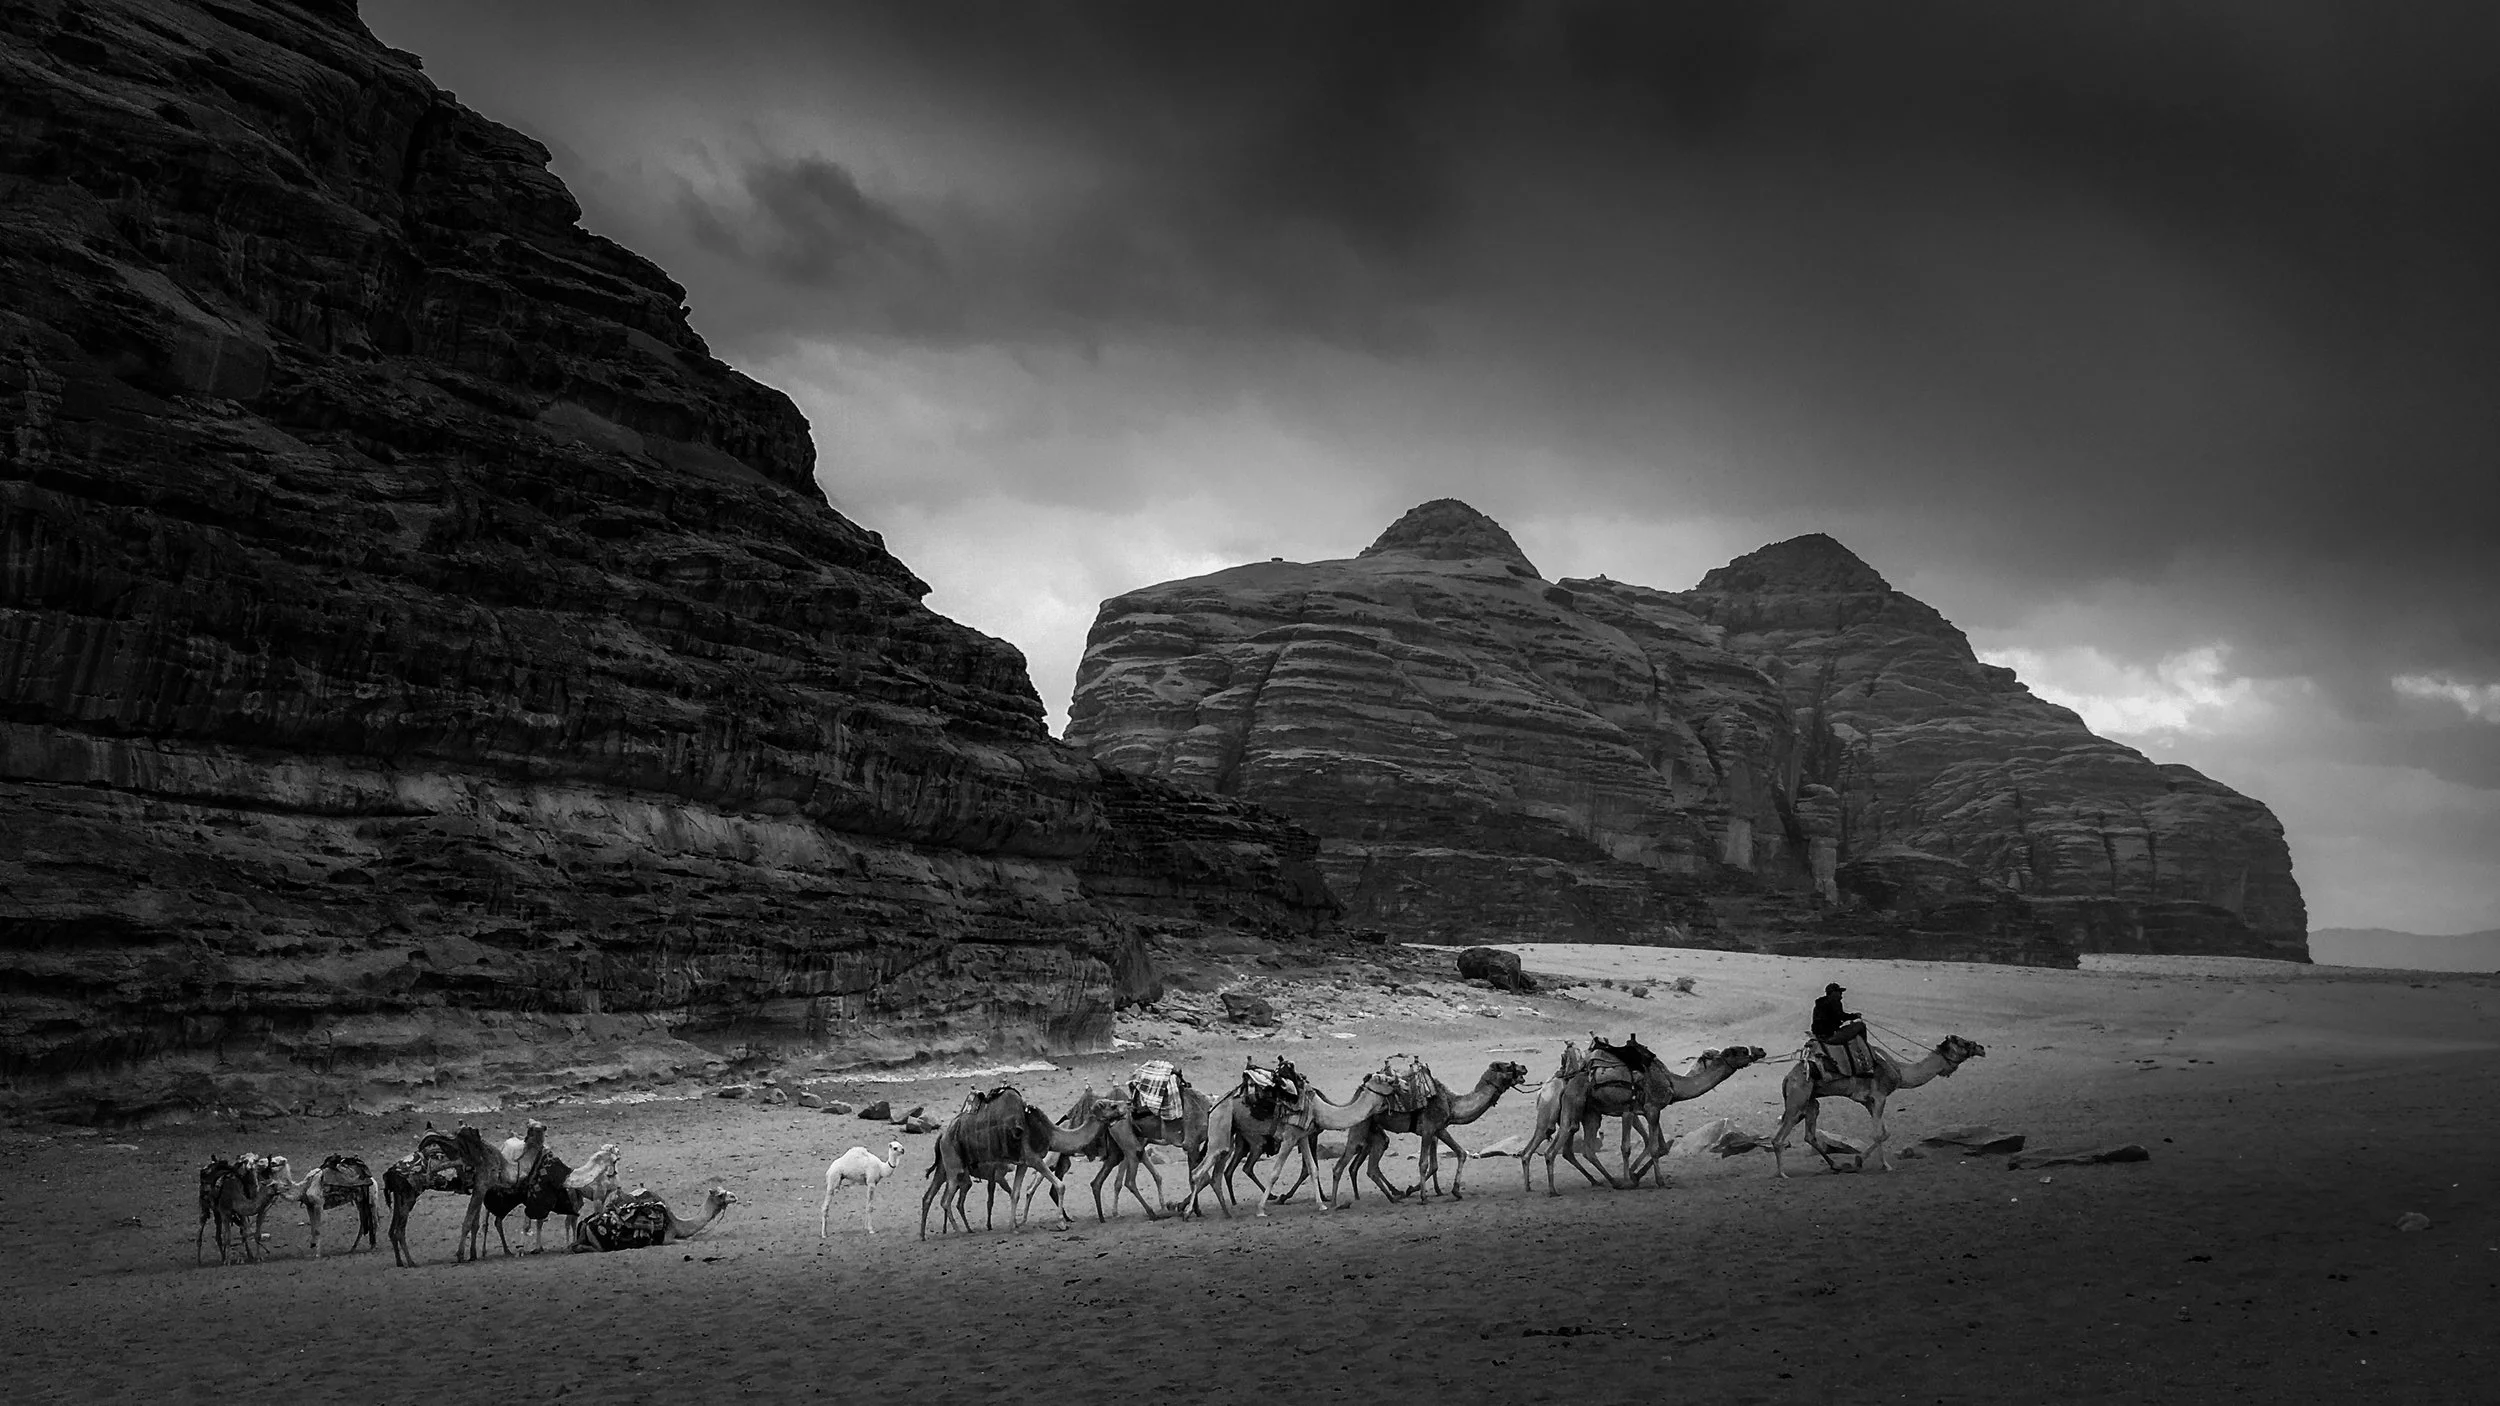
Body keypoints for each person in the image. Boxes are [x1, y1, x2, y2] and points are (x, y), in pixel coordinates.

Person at [1811, 982, 1871, 1077]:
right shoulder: (1834, 1001)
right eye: (1839, 992)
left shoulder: (1820, 1003)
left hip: (1820, 1035)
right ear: (1833, 993)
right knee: (1860, 1026)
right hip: (1831, 1036)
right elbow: (1841, 1016)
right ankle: (1865, 1057)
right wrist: (1854, 1016)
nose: (1841, 995)